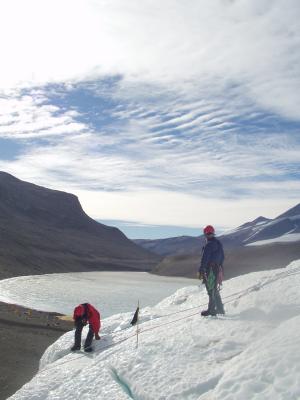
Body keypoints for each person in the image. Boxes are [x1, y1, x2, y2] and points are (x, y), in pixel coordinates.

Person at [197, 225, 225, 316]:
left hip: (211, 269)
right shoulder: (218, 243)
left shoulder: (209, 245)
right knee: (214, 289)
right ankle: (220, 309)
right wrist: (219, 266)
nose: (208, 235)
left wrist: (201, 270)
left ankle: (211, 310)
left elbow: (205, 258)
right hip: (217, 268)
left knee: (210, 289)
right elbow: (222, 257)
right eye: (208, 233)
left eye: (208, 234)